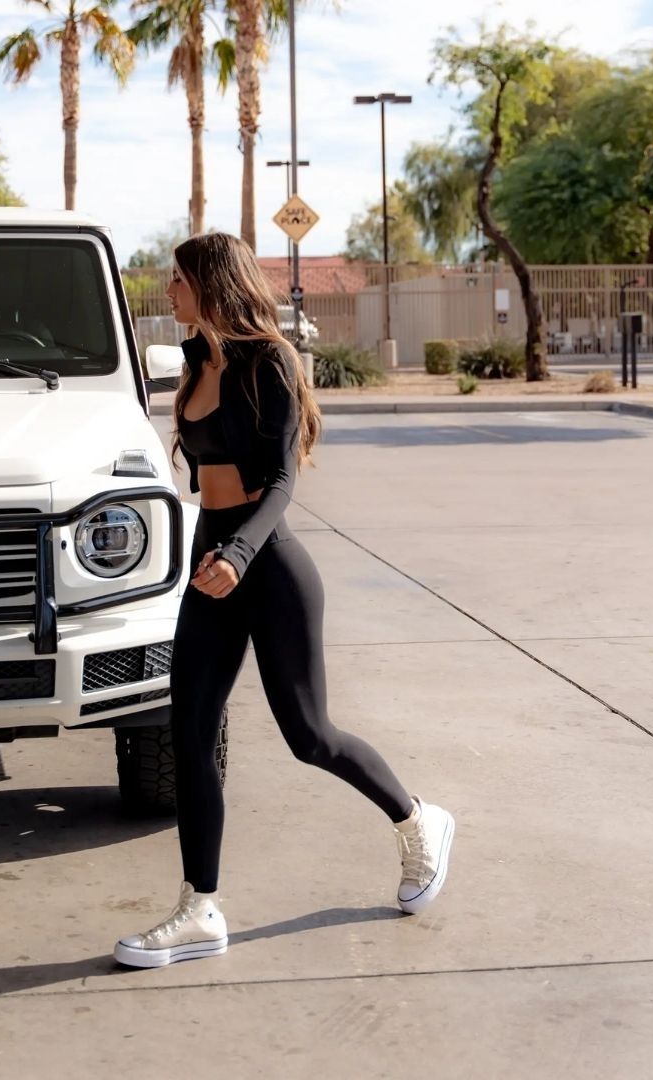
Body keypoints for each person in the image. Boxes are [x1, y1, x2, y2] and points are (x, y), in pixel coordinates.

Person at [113, 233, 455, 969]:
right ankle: (199, 908)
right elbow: (207, 482)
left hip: (269, 568)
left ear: (213, 283)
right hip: (213, 563)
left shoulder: (270, 361)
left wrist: (238, 555)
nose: (168, 291)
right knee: (190, 732)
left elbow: (279, 481)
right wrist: (210, 555)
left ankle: (416, 820)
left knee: (310, 735)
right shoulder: (197, 363)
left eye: (178, 279)